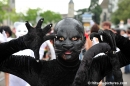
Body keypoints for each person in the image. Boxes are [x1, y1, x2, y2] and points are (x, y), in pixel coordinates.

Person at [0, 18, 129, 86]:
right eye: (61, 39)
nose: (68, 44)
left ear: (84, 41)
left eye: (75, 39)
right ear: (53, 41)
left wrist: (118, 40)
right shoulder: (36, 69)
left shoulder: (95, 67)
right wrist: (21, 42)